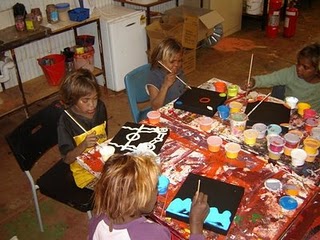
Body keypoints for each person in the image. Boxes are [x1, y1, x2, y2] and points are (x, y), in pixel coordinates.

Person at [89, 154, 209, 240]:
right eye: (155, 187)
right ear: (142, 198)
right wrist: (196, 224)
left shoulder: (98, 217)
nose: (157, 192)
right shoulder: (154, 233)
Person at [57, 68, 108, 189]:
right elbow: (67, 159)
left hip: (102, 162)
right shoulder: (66, 121)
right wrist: (84, 145)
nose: (92, 105)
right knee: (117, 192)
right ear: (72, 99)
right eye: (85, 100)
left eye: (95, 98)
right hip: (84, 173)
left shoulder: (100, 107)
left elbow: (104, 138)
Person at [249, 42, 320, 112]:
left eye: (305, 67)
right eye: (298, 63)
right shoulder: (291, 73)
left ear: (317, 70)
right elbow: (271, 78)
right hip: (287, 114)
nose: (299, 68)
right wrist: (254, 81)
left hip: (312, 120)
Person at [146, 37, 188, 110]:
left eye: (180, 61)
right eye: (172, 62)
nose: (176, 65)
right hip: (165, 112)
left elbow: (182, 90)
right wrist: (165, 86)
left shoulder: (178, 70)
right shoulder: (154, 76)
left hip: (179, 107)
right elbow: (155, 107)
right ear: (160, 61)